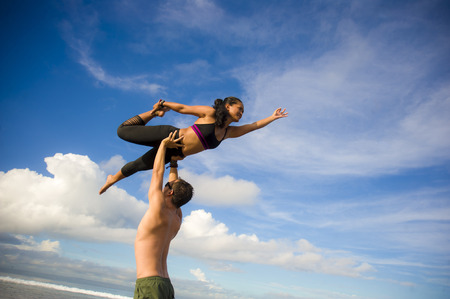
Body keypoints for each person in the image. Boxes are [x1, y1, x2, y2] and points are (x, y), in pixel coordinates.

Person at [99, 96, 288, 194]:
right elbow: (183, 108)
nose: (242, 113)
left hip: (171, 154)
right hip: (169, 135)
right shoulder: (210, 114)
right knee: (122, 131)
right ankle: (153, 113)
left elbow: (252, 127)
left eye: (244, 111)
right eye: (240, 109)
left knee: (136, 166)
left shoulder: (227, 133)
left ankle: (112, 179)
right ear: (228, 106)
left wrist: (272, 117)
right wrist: (163, 105)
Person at [133, 131, 194, 299]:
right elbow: (171, 183)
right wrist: (173, 162)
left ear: (169, 192)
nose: (163, 187)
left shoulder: (157, 209)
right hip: (166, 286)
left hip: (149, 284)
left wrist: (163, 145)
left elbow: (157, 173)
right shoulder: (177, 217)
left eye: (166, 186)